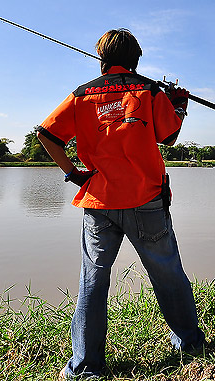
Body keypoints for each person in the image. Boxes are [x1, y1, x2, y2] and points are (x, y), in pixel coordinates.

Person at [36, 28, 205, 379]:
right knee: (168, 273)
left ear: (102, 58)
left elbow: (47, 134)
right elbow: (169, 137)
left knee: (93, 280)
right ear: (137, 60)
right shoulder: (150, 91)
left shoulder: (82, 94)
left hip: (99, 201)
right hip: (146, 199)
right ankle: (190, 345)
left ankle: (85, 367)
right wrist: (179, 104)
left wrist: (73, 174)